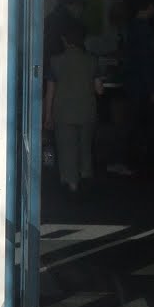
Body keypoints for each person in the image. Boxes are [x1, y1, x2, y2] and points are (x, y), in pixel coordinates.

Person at [44, 17, 103, 192]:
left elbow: (50, 92)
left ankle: (72, 184)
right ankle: (85, 174)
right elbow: (99, 89)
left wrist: (48, 116)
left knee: (67, 148)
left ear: (64, 39)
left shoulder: (55, 61)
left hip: (63, 112)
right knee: (84, 146)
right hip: (87, 111)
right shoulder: (92, 60)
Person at [118, 0, 154, 177]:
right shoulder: (144, 31)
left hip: (133, 84)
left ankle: (131, 162)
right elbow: (147, 62)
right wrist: (153, 88)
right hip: (143, 86)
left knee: (134, 125)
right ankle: (146, 164)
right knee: (146, 126)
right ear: (148, 6)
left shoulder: (131, 29)